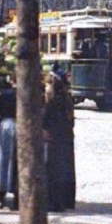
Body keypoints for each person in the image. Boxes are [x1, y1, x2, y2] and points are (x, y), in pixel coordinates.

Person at [43, 73, 76, 212]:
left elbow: (45, 119)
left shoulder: (51, 101)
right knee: (66, 170)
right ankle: (66, 200)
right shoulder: (67, 98)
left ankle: (53, 202)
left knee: (52, 170)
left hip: (53, 138)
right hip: (66, 137)